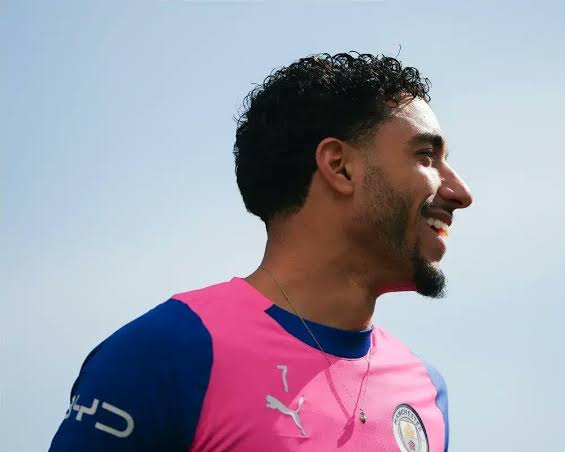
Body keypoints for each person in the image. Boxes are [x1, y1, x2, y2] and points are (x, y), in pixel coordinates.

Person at [49, 52, 473, 452]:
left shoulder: (427, 394)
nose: (461, 192)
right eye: (426, 156)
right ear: (339, 166)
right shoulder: (166, 354)